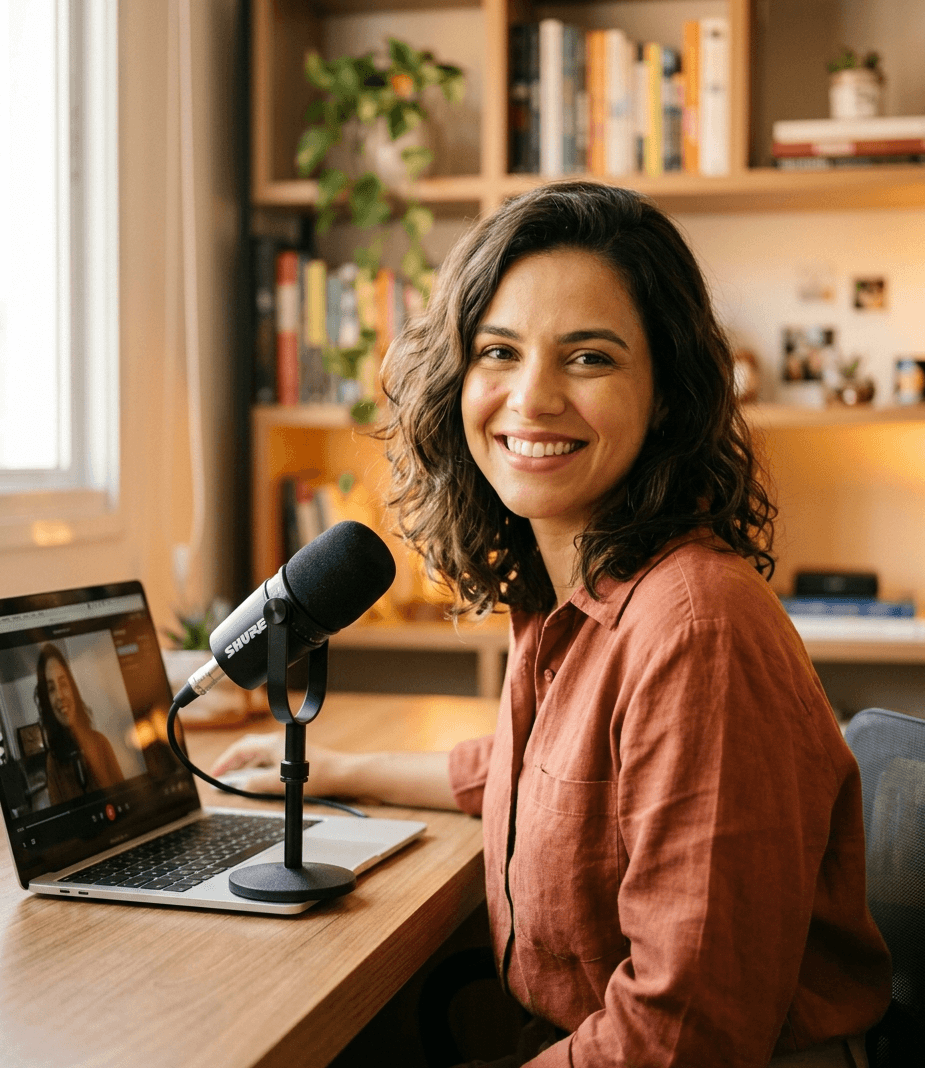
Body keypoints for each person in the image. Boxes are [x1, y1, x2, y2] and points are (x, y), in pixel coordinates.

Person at [213, 182, 891, 1067]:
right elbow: (548, 773)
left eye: (589, 358)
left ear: (667, 394)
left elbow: (685, 1035)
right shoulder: (564, 596)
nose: (530, 399)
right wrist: (339, 768)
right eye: (498, 351)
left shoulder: (696, 630)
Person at [35, 643, 124, 805]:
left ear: (72, 688)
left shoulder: (101, 743)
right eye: (51, 689)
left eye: (63, 684)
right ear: (47, 700)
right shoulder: (53, 763)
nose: (60, 695)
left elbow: (126, 800)